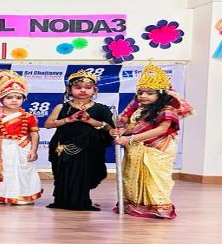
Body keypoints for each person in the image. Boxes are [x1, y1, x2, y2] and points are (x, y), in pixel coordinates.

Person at [110, 63, 194, 219]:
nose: (143, 96)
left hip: (157, 149)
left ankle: (158, 208)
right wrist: (121, 131)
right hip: (135, 148)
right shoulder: (139, 109)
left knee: (153, 179)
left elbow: (161, 130)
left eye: (149, 93)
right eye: (140, 92)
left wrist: (129, 138)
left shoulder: (167, 110)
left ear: (161, 94)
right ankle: (136, 206)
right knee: (132, 177)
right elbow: (132, 127)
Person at [44, 70, 115, 211]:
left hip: (90, 148)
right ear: (69, 89)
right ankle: (62, 201)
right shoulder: (62, 107)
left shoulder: (101, 108)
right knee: (64, 173)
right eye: (78, 87)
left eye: (88, 87)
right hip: (65, 146)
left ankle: (81, 201)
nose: (83, 90)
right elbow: (48, 124)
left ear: (95, 90)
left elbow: (110, 128)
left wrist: (91, 120)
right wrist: (68, 119)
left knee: (85, 173)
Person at [0, 70, 43, 204]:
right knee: (4, 171)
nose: (14, 100)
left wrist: (33, 150)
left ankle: (23, 196)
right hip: (1, 147)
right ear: (1, 99)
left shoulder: (28, 116)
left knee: (23, 170)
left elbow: (34, 133)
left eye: (18, 97)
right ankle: (0, 195)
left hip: (22, 147)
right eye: (9, 97)